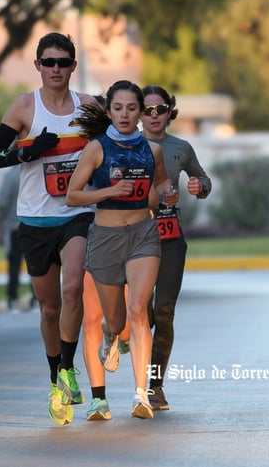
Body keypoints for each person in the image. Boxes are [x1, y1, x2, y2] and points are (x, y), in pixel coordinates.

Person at [0, 32, 97, 425]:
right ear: (37, 66)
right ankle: (56, 380)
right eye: (48, 62)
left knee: (72, 287)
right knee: (49, 308)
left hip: (75, 216)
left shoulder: (89, 108)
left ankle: (68, 368)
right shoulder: (23, 107)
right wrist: (28, 151)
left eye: (63, 62)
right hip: (34, 220)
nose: (56, 69)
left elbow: (116, 142)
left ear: (73, 67)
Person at [66, 80, 178, 420]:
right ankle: (110, 336)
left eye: (132, 108)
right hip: (105, 237)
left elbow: (157, 188)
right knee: (113, 320)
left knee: (139, 310)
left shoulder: (152, 150)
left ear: (141, 112)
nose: (126, 115)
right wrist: (110, 190)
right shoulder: (96, 149)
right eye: (119, 108)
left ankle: (140, 395)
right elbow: (73, 195)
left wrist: (166, 193)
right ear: (110, 111)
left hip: (144, 234)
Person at [139, 84, 212, 411]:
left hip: (169, 236)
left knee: (163, 313)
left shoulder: (180, 147)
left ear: (170, 111)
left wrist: (199, 186)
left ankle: (154, 385)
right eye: (148, 109)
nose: (154, 116)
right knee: (137, 311)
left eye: (161, 108)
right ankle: (117, 336)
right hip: (131, 236)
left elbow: (204, 181)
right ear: (139, 112)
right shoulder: (122, 144)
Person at [0, 165, 33, 312]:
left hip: (13, 226)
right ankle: (36, 299)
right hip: (33, 224)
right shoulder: (34, 171)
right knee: (35, 264)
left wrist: (5, 219)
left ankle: (12, 299)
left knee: (14, 265)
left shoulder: (10, 176)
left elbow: (2, 202)